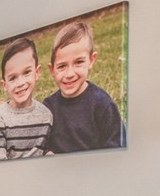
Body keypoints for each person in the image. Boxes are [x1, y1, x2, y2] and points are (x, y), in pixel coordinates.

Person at [41, 20, 125, 152]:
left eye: (78, 62)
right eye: (62, 66)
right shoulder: (48, 108)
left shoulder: (102, 104)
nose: (70, 74)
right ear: (52, 70)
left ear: (91, 60)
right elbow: (40, 145)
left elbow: (117, 146)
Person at [0, 39, 52, 160]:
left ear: (37, 73)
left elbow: (46, 149)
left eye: (27, 72)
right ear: (4, 85)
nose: (20, 83)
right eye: (13, 78)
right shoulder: (0, 118)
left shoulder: (46, 115)